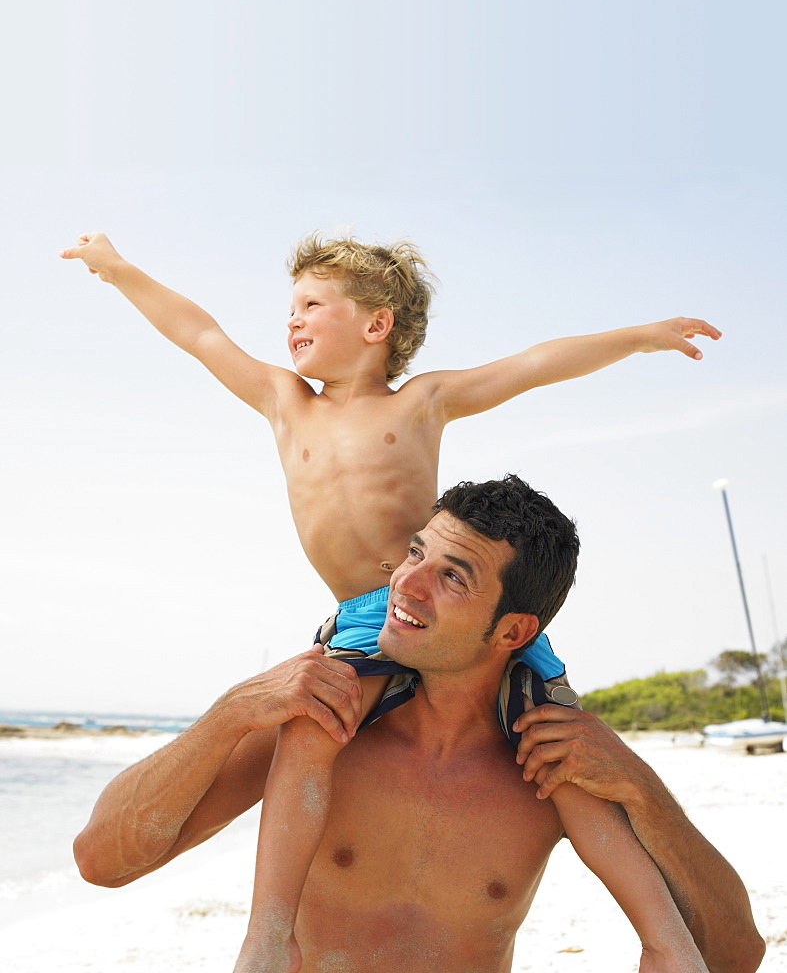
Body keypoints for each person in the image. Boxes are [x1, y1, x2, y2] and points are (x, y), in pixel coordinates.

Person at [62, 232, 722, 971]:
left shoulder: (421, 402)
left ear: (376, 325)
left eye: (312, 304)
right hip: (367, 617)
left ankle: (666, 942)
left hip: (452, 610)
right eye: (291, 306)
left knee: (562, 749)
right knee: (313, 725)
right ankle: (267, 935)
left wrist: (638, 338)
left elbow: (531, 366)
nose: (291, 320)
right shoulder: (285, 403)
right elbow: (199, 333)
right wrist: (118, 271)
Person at [73, 476, 765, 973]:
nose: (405, 583)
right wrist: (228, 715)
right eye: (414, 554)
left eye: (453, 577)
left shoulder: (552, 761)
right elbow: (100, 862)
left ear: (512, 630)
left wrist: (641, 788)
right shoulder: (326, 721)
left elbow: (732, 958)